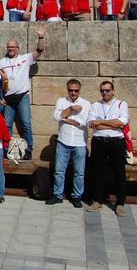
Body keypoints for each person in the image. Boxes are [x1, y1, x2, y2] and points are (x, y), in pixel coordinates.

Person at [0, 28, 45, 159]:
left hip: (22, 95)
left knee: (25, 123)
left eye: (13, 47)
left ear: (18, 48)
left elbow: (39, 51)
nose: (11, 49)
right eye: (9, 47)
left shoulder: (25, 58)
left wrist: (41, 37)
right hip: (7, 98)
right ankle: (8, 148)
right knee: (7, 124)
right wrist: (1, 97)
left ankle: (28, 148)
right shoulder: (1, 62)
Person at [86, 81, 129, 216]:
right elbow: (92, 124)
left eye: (107, 90)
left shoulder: (122, 104)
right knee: (98, 172)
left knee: (119, 173)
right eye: (102, 91)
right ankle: (98, 200)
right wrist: (112, 124)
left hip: (116, 142)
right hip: (99, 142)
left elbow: (122, 122)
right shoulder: (95, 105)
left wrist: (101, 121)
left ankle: (120, 203)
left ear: (113, 91)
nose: (105, 93)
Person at [48, 79, 91, 208]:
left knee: (79, 172)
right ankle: (57, 194)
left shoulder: (86, 103)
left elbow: (83, 121)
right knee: (59, 171)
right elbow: (56, 117)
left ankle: (77, 196)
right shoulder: (61, 101)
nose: (73, 92)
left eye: (76, 90)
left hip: (79, 142)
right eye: (71, 90)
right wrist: (71, 108)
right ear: (67, 89)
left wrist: (65, 118)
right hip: (63, 140)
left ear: (79, 90)